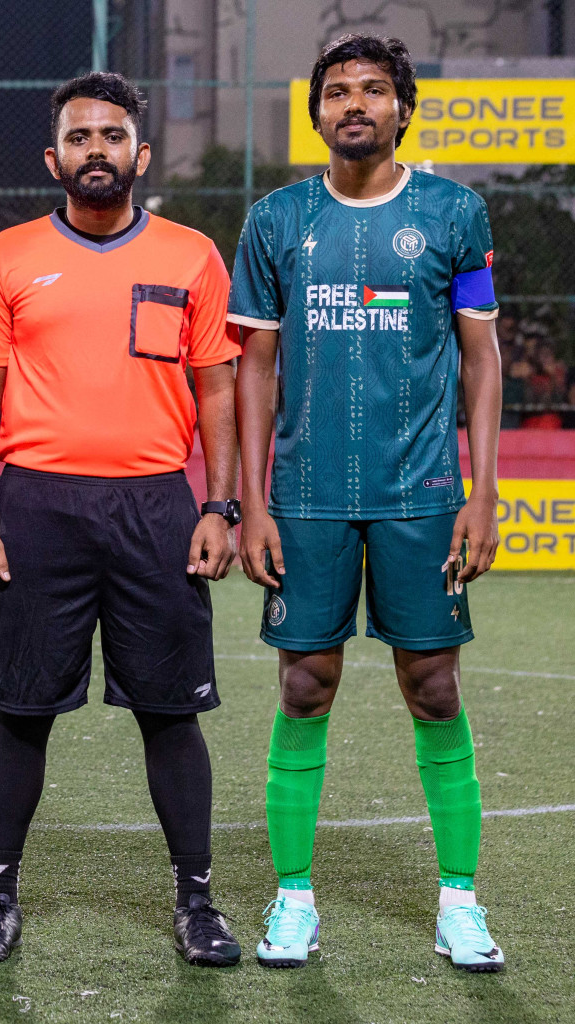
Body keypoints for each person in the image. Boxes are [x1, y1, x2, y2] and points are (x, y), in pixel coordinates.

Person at [0, 71, 243, 968]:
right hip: (36, 504)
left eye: (112, 137)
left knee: (169, 712)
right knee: (22, 710)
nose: (96, 152)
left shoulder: (191, 255)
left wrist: (220, 504)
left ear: (139, 154)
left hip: (156, 505)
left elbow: (218, 389)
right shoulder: (6, 257)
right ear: (54, 158)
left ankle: (196, 900)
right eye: (79, 139)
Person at [230, 34, 506, 972]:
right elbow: (253, 366)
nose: (356, 104)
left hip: (422, 492)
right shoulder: (275, 221)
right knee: (306, 683)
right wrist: (250, 500)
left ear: (402, 108)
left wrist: (483, 494)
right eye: (338, 91)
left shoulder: (455, 212)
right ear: (316, 114)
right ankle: (294, 896)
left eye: (374, 90)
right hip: (304, 497)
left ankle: (460, 902)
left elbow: (481, 357)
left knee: (434, 685)